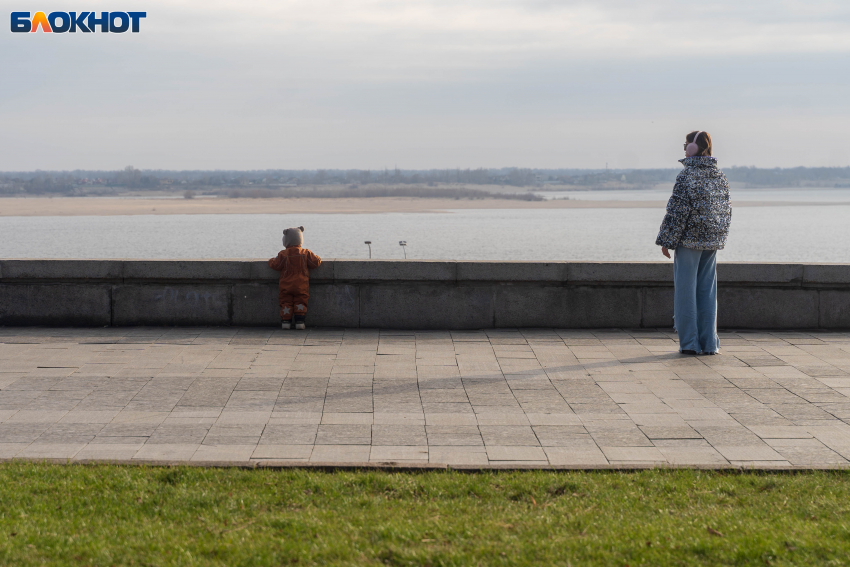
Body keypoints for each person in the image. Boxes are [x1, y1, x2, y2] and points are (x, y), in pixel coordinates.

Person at [656, 131, 732, 355]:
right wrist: (719, 237)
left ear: (693, 148)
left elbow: (677, 212)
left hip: (689, 240)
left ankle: (689, 343)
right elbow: (727, 210)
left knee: (685, 292)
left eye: (686, 143)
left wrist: (666, 241)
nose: (684, 147)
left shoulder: (687, 175)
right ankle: (710, 344)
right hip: (712, 240)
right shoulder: (720, 175)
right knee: (707, 291)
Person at [268, 226, 322, 330]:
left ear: (286, 241)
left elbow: (276, 265)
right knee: (301, 301)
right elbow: (316, 262)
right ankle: (300, 321)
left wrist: (271, 260)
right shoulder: (305, 253)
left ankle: (286, 322)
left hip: (286, 285)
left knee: (285, 302)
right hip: (301, 284)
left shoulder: (283, 254)